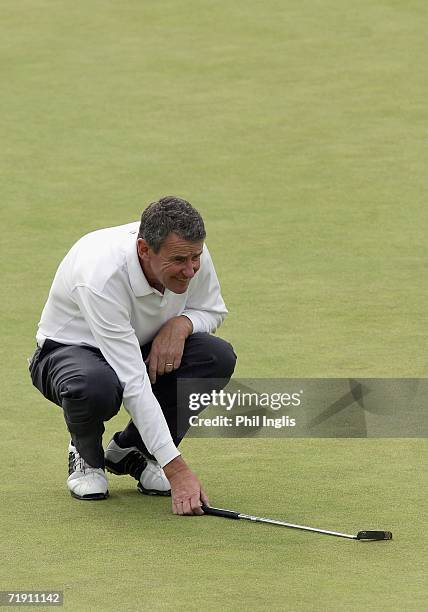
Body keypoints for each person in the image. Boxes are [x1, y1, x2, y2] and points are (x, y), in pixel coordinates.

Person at [29, 196, 236, 515]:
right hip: (69, 353)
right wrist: (177, 469)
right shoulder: (101, 275)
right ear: (144, 250)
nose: (191, 269)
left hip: (137, 343)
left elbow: (211, 309)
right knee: (95, 386)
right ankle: (86, 454)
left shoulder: (190, 251)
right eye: (180, 260)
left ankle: (133, 452)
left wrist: (182, 324)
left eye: (196, 257)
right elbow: (133, 382)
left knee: (216, 356)